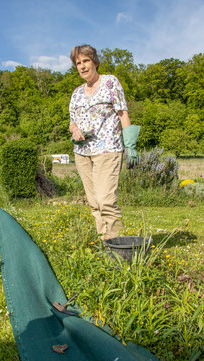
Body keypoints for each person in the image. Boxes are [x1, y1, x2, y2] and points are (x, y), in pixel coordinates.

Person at [69, 44, 139, 242]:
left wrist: (130, 144)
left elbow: (122, 113)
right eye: (78, 63)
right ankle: (104, 243)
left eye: (86, 61)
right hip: (82, 152)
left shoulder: (110, 82)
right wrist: (75, 130)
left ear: (95, 62)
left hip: (107, 149)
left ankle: (115, 244)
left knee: (105, 200)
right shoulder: (76, 93)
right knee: (93, 203)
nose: (82, 66)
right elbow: (72, 121)